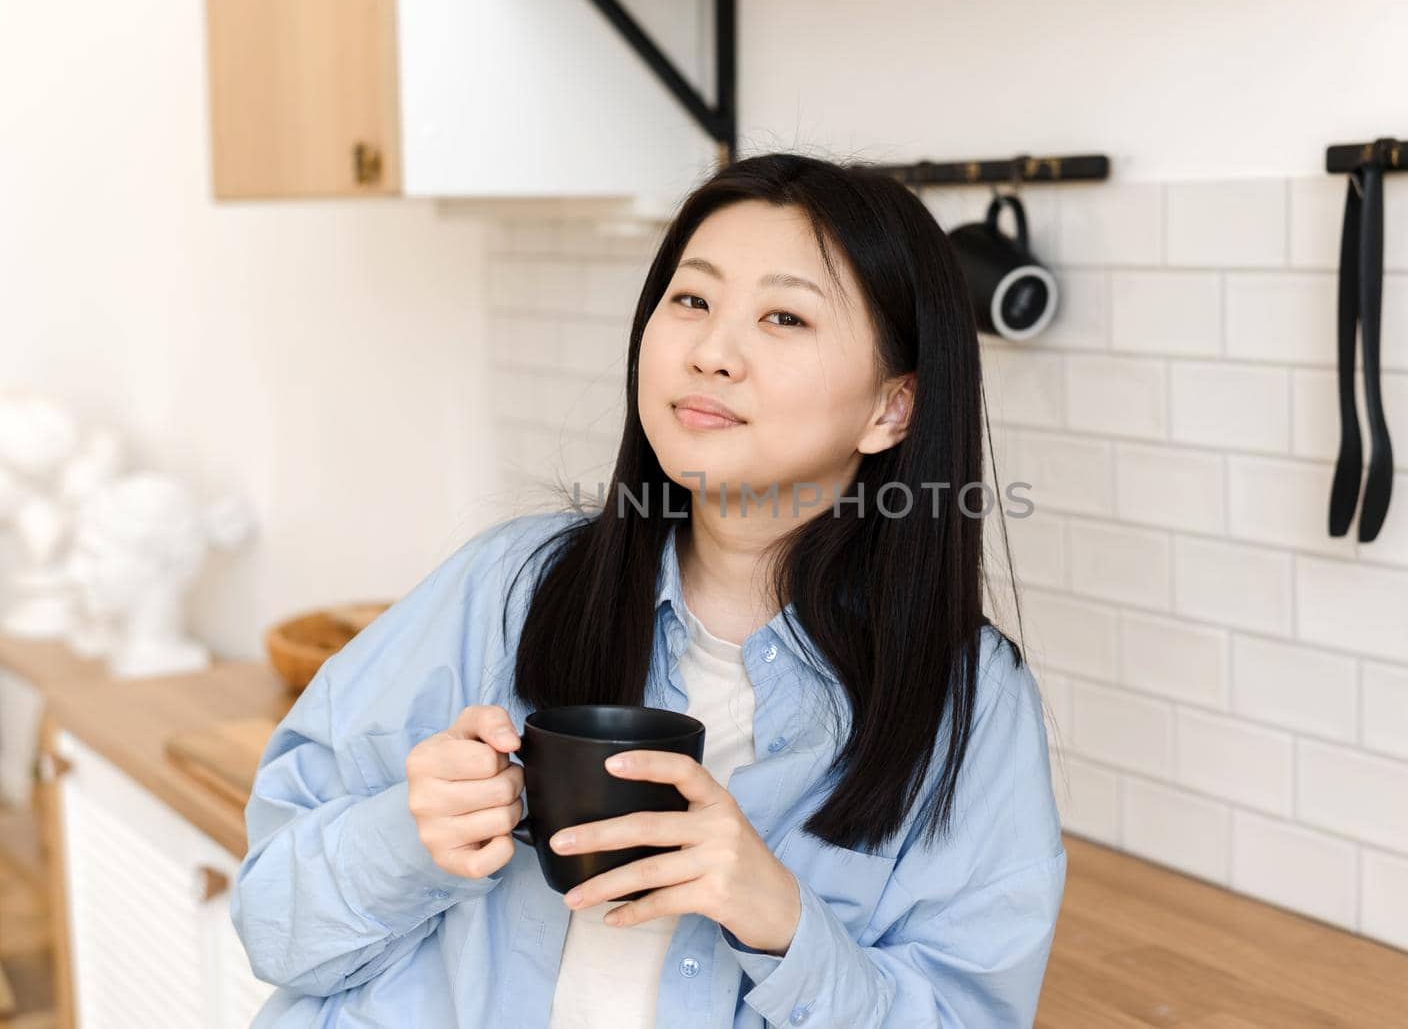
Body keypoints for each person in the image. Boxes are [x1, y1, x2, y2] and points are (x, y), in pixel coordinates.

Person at [231, 152, 1067, 1028]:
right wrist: (410, 838)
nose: (711, 352)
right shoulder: (508, 589)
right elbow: (270, 928)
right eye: (692, 300)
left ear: (891, 411)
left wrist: (781, 921)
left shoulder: (965, 704)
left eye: (784, 316)